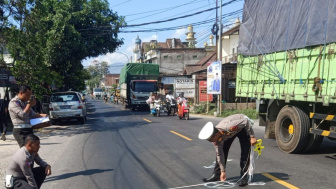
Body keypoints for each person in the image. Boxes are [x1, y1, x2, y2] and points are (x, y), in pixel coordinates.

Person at [198, 114, 257, 187]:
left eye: (211, 140)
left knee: (245, 152)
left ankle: (244, 177)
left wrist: (252, 136)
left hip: (243, 127)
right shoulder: (217, 139)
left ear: (216, 135)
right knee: (222, 150)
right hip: (229, 133)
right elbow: (219, 154)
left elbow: (245, 121)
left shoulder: (228, 126)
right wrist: (223, 171)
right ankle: (217, 174)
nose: (212, 142)